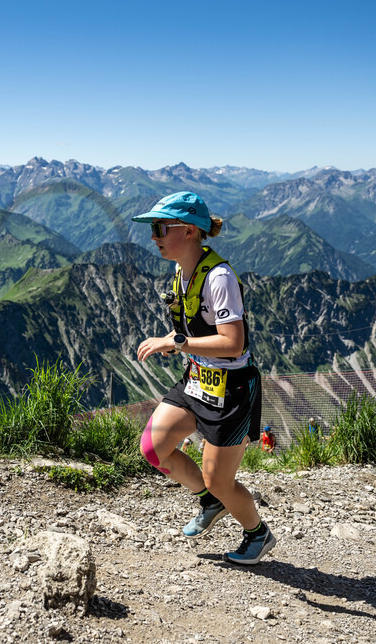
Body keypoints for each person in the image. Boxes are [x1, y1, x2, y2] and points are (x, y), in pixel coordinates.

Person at [133, 191, 275, 565]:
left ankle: (257, 534)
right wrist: (179, 345)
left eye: (162, 227)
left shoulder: (220, 277)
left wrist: (177, 341)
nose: (154, 236)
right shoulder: (183, 271)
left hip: (231, 390)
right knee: (153, 448)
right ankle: (211, 503)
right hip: (198, 379)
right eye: (153, 227)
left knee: (220, 480)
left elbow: (233, 342)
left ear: (191, 231)